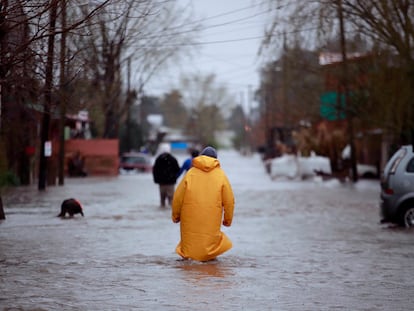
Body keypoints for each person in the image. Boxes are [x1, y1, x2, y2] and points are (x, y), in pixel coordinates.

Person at [172, 146, 235, 262]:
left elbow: (177, 197)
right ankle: (208, 266)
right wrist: (227, 220)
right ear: (216, 159)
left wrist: (176, 216)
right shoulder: (221, 175)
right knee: (210, 246)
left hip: (190, 216)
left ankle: (188, 269)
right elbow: (229, 201)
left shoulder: (190, 174)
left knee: (190, 246)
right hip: (211, 217)